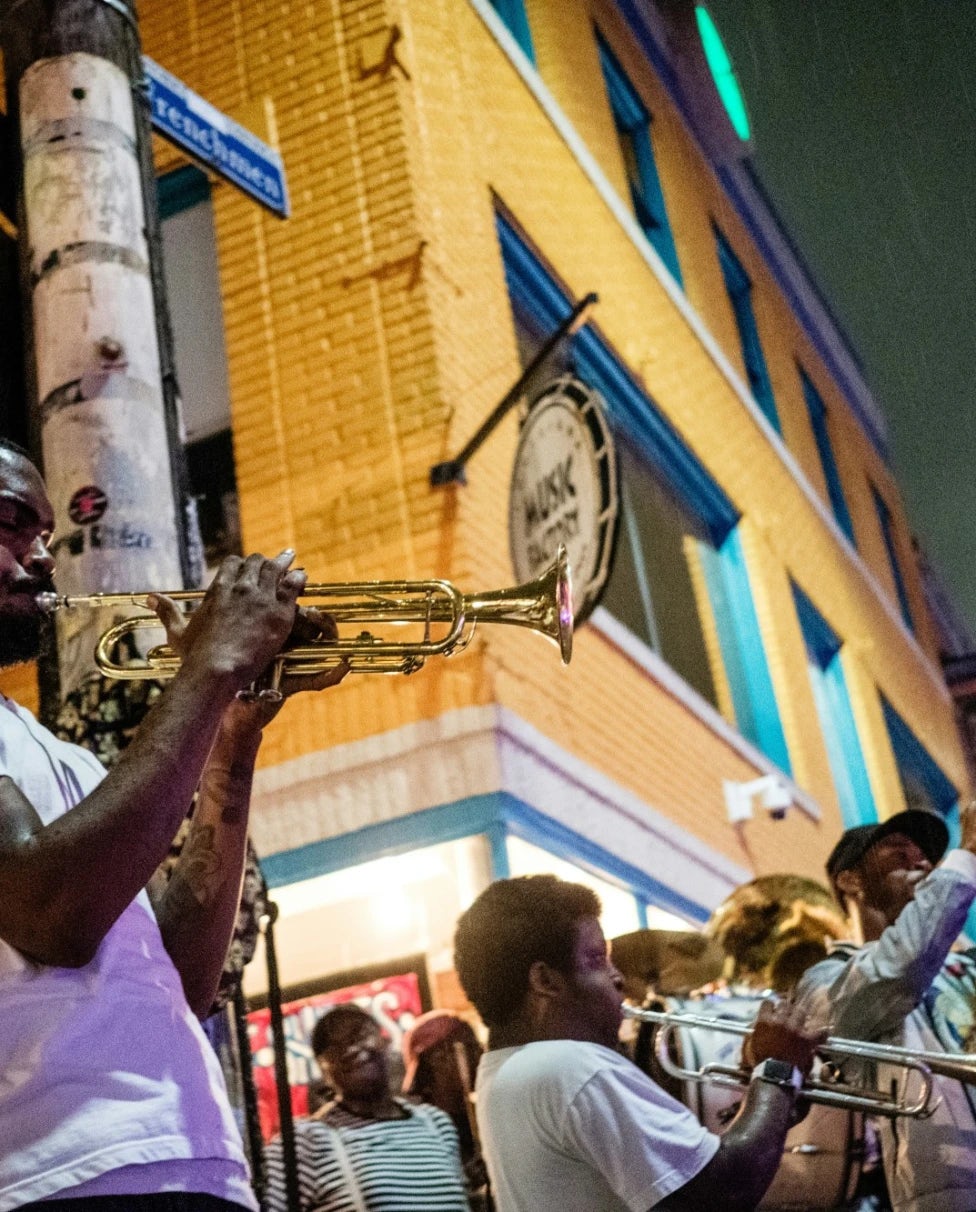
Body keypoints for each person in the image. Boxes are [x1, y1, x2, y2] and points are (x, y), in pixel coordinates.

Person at [0, 438, 346, 1210]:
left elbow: (184, 978)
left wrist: (234, 735)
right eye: (13, 523)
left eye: (49, 536)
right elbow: (54, 914)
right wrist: (209, 666)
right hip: (63, 1175)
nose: (45, 556)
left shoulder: (65, 760)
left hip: (191, 1163)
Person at [453, 874, 822, 1212]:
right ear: (546, 980)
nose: (617, 977)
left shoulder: (502, 1070)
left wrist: (771, 1096)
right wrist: (776, 1069)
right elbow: (722, 1192)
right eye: (597, 959)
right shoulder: (569, 1067)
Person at [795, 807, 976, 1212]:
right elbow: (898, 970)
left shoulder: (966, 964)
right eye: (898, 853)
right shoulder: (824, 978)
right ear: (850, 880)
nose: (923, 862)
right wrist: (965, 859)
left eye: (927, 856)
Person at [263, 1003, 470, 1211]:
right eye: (333, 1047)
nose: (350, 1049)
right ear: (323, 1071)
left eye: (359, 1033)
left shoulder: (436, 1124)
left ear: (385, 1041)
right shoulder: (305, 1142)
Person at [402, 1009, 492, 1209]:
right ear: (435, 1060)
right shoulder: (419, 1136)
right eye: (468, 1048)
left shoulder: (490, 1113)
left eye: (477, 1047)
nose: (480, 1056)